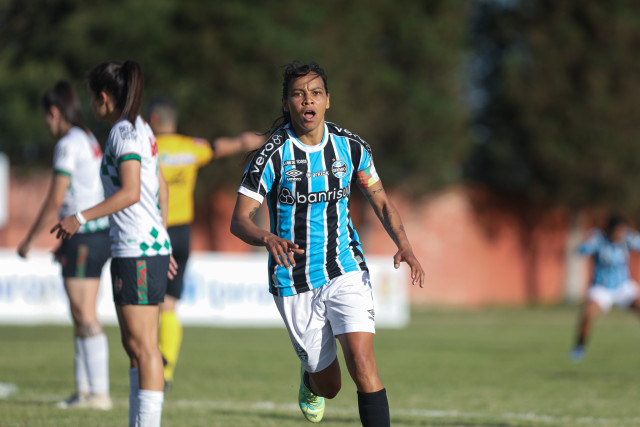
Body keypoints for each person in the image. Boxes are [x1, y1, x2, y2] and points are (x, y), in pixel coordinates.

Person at [230, 61, 424, 426]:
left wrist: (405, 244)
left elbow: (381, 201)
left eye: (315, 93)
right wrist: (266, 236)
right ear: (286, 102)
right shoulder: (271, 155)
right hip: (294, 280)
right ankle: (310, 378)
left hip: (345, 268)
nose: (308, 100)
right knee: (330, 386)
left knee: (363, 363)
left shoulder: (350, 148)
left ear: (328, 101)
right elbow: (239, 220)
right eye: (299, 93)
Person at [51, 60, 176, 427]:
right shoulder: (141, 128)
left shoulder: (124, 132)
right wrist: (161, 236)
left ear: (104, 97)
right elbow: (161, 186)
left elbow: (132, 192)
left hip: (137, 250)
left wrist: (81, 216)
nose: (92, 105)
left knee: (144, 347)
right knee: (134, 347)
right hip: (142, 247)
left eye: (92, 98)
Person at [146, 96, 264, 389]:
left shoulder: (147, 149)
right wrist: (250, 140)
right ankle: (167, 371)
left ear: (154, 120)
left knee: (148, 305)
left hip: (153, 233)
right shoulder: (189, 148)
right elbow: (221, 146)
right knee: (170, 306)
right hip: (182, 235)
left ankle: (148, 365)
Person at [17, 81, 112, 410]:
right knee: (80, 313)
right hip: (92, 233)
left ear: (54, 112)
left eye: (46, 117)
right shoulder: (87, 138)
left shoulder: (68, 144)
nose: (46, 124)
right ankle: (84, 391)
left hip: (85, 234)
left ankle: (98, 394)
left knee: (85, 313)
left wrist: (30, 239)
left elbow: (56, 197)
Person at [570, 214, 640, 362]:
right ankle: (579, 347)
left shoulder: (628, 239)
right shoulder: (598, 239)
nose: (621, 234)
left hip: (623, 286)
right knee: (588, 313)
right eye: (619, 231)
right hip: (601, 288)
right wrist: (588, 244)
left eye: (623, 231)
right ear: (611, 230)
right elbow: (581, 250)